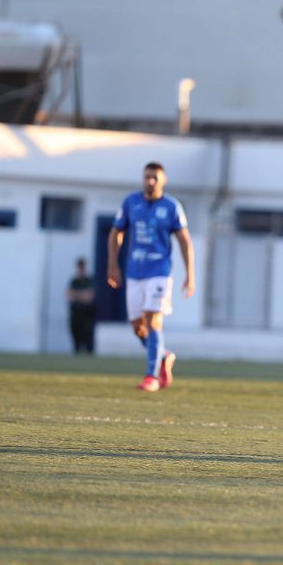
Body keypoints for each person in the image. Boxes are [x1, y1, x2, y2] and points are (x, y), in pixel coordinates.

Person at [107, 162, 195, 392]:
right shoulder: (131, 203)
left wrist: (190, 275)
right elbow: (116, 233)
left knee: (152, 320)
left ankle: (151, 377)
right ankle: (162, 356)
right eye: (147, 177)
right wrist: (113, 265)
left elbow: (184, 241)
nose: (150, 181)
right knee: (138, 327)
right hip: (135, 271)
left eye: (155, 177)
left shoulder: (172, 207)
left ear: (163, 180)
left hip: (159, 271)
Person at [66, 257, 96, 354]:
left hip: (87, 316)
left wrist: (76, 294)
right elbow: (68, 295)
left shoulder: (89, 281)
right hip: (75, 315)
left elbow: (89, 297)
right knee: (76, 343)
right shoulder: (73, 281)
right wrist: (82, 295)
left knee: (88, 345)